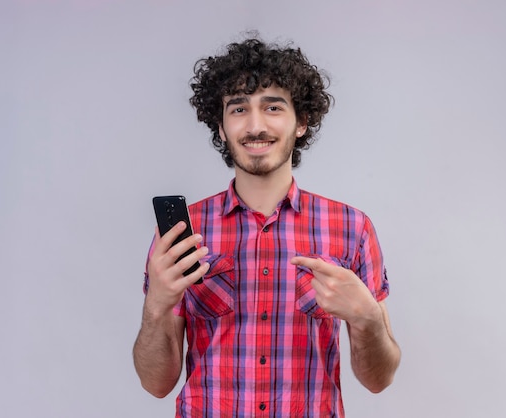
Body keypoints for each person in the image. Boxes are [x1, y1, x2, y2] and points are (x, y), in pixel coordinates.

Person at [133, 37, 401, 417]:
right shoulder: (182, 233)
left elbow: (379, 379)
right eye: (238, 109)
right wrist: (156, 305)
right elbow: (155, 383)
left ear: (302, 121)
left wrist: (367, 319)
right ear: (222, 127)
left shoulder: (352, 228)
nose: (255, 126)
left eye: (273, 107)